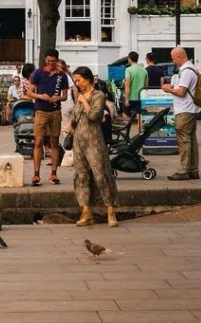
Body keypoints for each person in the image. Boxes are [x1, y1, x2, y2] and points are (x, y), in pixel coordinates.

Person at [69, 67, 118, 228]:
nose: (77, 83)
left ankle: (110, 210)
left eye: (80, 80)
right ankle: (86, 211)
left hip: (94, 140)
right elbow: (76, 115)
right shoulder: (78, 95)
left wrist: (84, 102)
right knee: (81, 176)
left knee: (101, 174)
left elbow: (94, 116)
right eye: (76, 80)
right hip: (79, 140)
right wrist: (70, 124)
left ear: (88, 79)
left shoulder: (99, 95)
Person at [162, 46, 201, 180]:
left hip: (184, 109)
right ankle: (193, 169)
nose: (173, 61)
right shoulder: (193, 68)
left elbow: (181, 92)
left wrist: (168, 89)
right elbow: (183, 87)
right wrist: (173, 87)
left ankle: (183, 171)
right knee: (192, 140)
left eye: (174, 58)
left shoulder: (186, 71)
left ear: (180, 57)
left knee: (183, 141)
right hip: (191, 109)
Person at [29, 50, 64, 186]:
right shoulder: (38, 73)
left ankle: (54, 173)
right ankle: (36, 174)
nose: (50, 63)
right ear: (45, 60)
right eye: (48, 61)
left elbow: (65, 95)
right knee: (38, 142)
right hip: (41, 111)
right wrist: (40, 96)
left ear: (57, 60)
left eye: (53, 61)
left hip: (55, 111)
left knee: (54, 142)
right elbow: (29, 91)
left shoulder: (61, 75)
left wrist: (58, 97)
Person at [122, 51, 147, 132]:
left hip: (131, 97)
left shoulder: (128, 70)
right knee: (139, 116)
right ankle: (139, 133)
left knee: (126, 115)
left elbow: (127, 85)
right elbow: (146, 86)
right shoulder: (144, 70)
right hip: (141, 97)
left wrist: (126, 98)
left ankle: (127, 133)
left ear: (129, 59)